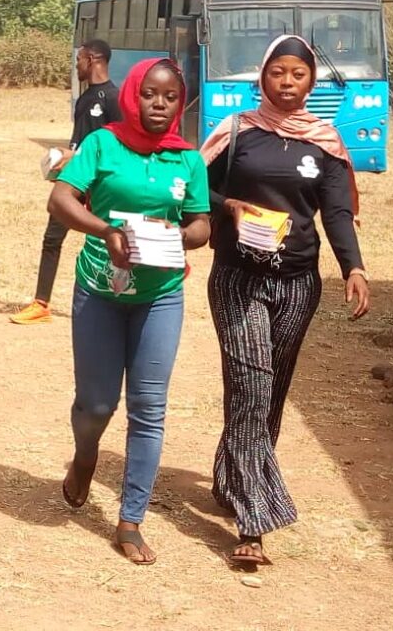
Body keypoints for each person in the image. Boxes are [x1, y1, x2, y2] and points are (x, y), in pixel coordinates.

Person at [198, 34, 370, 566]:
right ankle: (254, 520)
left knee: (268, 394)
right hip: (237, 278)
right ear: (263, 77)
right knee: (251, 386)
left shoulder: (325, 142)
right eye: (278, 72)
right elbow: (193, 187)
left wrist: (354, 267)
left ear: (310, 81)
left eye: (298, 74)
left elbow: (336, 212)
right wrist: (229, 206)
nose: (287, 83)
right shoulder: (236, 132)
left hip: (297, 284)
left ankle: (232, 477)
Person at [49, 58, 211, 565]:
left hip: (160, 295)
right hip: (100, 289)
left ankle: (131, 519)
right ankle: (85, 456)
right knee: (96, 405)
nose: (159, 105)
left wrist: (176, 234)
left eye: (170, 97)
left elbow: (201, 225)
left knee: (149, 408)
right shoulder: (102, 144)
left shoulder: (189, 160)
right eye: (150, 94)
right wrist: (105, 231)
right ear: (132, 95)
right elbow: (60, 199)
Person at [11, 39, 121, 323]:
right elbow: (80, 141)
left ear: (93, 59)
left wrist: (79, 155)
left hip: (101, 184)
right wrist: (64, 159)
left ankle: (116, 298)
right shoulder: (84, 98)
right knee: (52, 238)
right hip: (75, 181)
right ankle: (41, 304)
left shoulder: (113, 98)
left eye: (79, 59)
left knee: (107, 239)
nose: (76, 65)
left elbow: (119, 145)